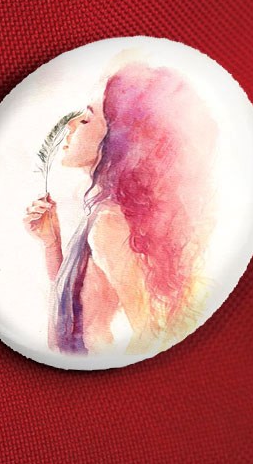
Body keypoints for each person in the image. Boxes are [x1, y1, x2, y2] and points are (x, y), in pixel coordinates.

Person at [23, 60, 217, 355]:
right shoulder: (100, 213)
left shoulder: (109, 225)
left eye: (86, 120)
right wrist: (51, 244)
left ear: (116, 141)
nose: (70, 125)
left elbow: (150, 336)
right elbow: (73, 308)